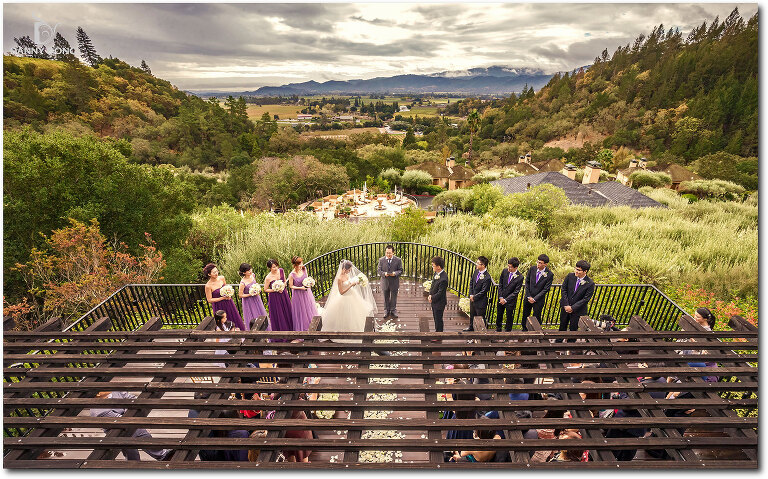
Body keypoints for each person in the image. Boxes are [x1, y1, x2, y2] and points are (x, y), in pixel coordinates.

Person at [90, 391, 173, 461]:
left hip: (132, 422)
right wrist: (129, 408)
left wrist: (129, 408)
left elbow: (132, 398)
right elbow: (120, 419)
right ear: (98, 394)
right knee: (130, 450)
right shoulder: (97, 410)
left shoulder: (115, 391)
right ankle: (134, 465)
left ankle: (162, 455)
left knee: (145, 436)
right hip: (117, 431)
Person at [321, 259, 378, 342]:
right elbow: (341, 292)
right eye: (349, 270)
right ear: (344, 269)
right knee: (345, 316)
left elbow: (349, 282)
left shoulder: (346, 275)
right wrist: (351, 284)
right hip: (344, 298)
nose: (350, 271)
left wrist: (356, 282)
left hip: (352, 295)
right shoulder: (339, 278)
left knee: (356, 313)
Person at [204, 263, 246, 332]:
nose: (216, 273)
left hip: (228, 302)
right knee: (223, 322)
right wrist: (222, 298)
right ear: (209, 274)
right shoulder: (208, 286)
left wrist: (228, 293)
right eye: (214, 272)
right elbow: (209, 299)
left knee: (234, 317)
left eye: (217, 271)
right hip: (219, 305)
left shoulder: (222, 278)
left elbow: (226, 288)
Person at [559, 260, 595, 339]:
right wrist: (566, 305)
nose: (576, 271)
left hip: (578, 310)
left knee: (574, 329)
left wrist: (573, 308)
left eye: (578, 270)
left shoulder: (590, 283)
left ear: (585, 271)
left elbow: (586, 299)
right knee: (562, 326)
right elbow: (563, 289)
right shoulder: (570, 276)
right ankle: (558, 344)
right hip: (565, 307)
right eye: (575, 269)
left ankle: (570, 348)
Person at [264, 259, 293, 341]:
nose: (275, 268)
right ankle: (282, 333)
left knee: (287, 311)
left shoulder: (281, 271)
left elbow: (284, 282)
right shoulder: (268, 277)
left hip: (283, 294)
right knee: (279, 313)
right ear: (270, 268)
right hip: (274, 297)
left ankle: (290, 329)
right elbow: (265, 289)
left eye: (276, 266)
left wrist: (282, 286)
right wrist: (275, 290)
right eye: (273, 267)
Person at [521, 254, 553, 329]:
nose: (538, 264)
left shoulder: (549, 274)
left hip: (539, 300)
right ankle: (524, 329)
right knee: (525, 314)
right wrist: (528, 296)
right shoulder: (532, 269)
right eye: (538, 262)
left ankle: (536, 330)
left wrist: (535, 299)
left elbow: (546, 289)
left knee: (537, 316)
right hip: (528, 297)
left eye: (540, 263)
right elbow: (527, 282)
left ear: (545, 264)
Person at [288, 256, 317, 332]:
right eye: (299, 264)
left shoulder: (304, 269)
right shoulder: (292, 275)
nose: (301, 265)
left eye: (301, 263)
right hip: (298, 295)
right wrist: (300, 288)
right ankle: (304, 328)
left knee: (308, 308)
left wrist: (309, 283)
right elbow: (291, 286)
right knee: (301, 311)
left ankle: (312, 325)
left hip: (306, 293)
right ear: (295, 265)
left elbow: (306, 278)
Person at [497, 257, 523, 332]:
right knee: (499, 315)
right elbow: (500, 284)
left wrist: (506, 300)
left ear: (516, 267)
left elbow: (516, 291)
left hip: (510, 301)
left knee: (509, 316)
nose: (508, 268)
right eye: (508, 266)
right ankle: (498, 329)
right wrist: (501, 297)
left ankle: (508, 332)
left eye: (510, 267)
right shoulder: (504, 271)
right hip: (501, 298)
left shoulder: (520, 277)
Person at [466, 256, 491, 331]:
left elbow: (484, 291)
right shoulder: (476, 271)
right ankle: (471, 327)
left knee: (479, 317)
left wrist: (475, 297)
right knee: (472, 315)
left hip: (480, 301)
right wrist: (471, 294)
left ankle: (480, 332)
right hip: (472, 298)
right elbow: (471, 283)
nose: (476, 264)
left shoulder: (487, 277)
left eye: (478, 263)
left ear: (483, 265)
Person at [377, 245, 403, 319]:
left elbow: (401, 270)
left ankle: (393, 310)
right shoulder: (381, 260)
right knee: (385, 297)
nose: (388, 255)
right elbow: (379, 270)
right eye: (387, 253)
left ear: (393, 253)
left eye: (390, 253)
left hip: (394, 282)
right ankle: (386, 310)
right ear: (385, 252)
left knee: (394, 297)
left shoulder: (398, 260)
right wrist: (384, 274)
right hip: (385, 282)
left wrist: (395, 273)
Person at [239, 263, 267, 329]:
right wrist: (250, 294)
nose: (250, 271)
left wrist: (257, 289)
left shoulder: (253, 276)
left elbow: (256, 285)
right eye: (248, 270)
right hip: (248, 301)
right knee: (252, 315)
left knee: (260, 312)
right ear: (244, 272)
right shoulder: (242, 283)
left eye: (250, 269)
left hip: (256, 298)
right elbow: (240, 295)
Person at [428, 255, 449, 334]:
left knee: (438, 319)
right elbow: (433, 285)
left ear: (439, 267)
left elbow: (441, 293)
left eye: (433, 266)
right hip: (434, 301)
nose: (432, 267)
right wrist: (430, 294)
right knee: (435, 318)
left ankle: (439, 334)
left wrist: (432, 297)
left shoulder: (443, 279)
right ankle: (437, 332)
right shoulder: (436, 273)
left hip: (439, 302)